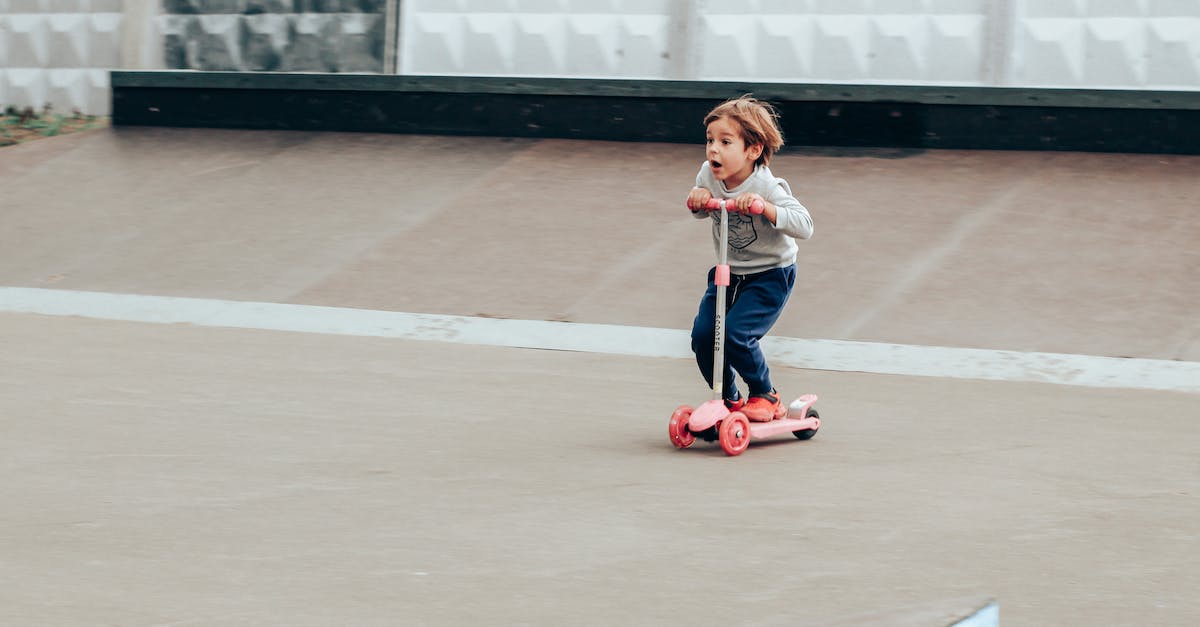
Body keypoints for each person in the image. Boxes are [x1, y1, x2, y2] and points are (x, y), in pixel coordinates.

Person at [685, 95, 814, 422]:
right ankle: (727, 398)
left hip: (770, 274)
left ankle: (766, 395)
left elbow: (805, 225)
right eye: (710, 140)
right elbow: (703, 212)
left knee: (734, 334)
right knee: (703, 336)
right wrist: (699, 199)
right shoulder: (708, 174)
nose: (713, 149)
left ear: (752, 150)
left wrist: (766, 208)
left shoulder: (767, 185)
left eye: (725, 142)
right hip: (728, 273)